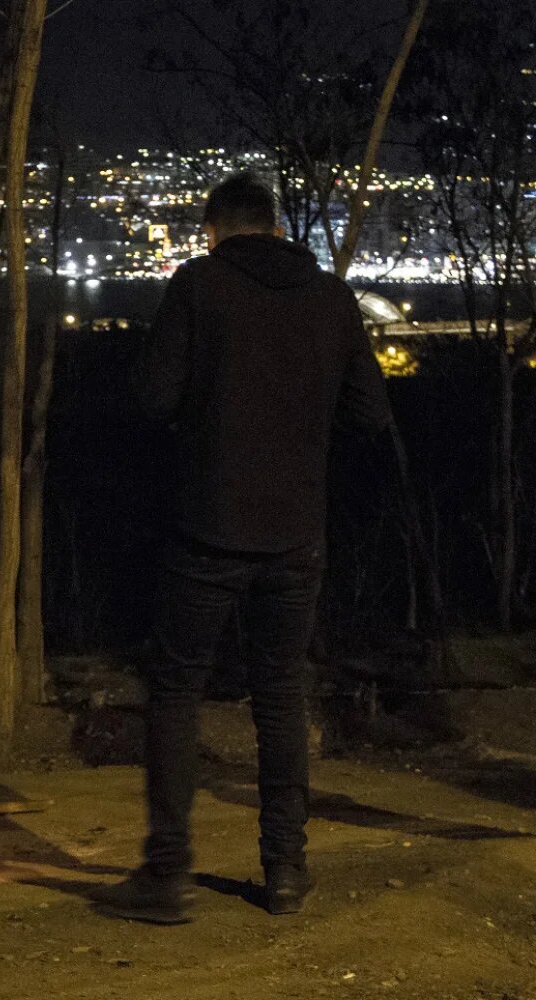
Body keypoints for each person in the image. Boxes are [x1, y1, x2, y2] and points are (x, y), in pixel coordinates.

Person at [96, 174, 394, 925]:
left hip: (208, 525)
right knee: (280, 692)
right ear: (276, 226)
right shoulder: (331, 297)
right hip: (298, 529)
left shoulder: (200, 287)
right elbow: (369, 415)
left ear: (214, 230)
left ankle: (167, 874)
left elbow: (151, 400)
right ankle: (285, 870)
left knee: (176, 688)